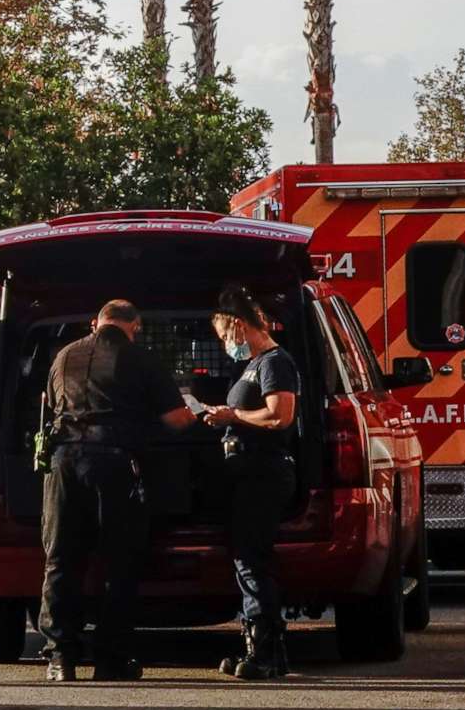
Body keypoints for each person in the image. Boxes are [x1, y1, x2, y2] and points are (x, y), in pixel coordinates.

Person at [38, 299, 204, 682]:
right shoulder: (140, 359)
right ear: (135, 326)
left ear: (96, 322)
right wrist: (199, 417)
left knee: (61, 558)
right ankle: (111, 659)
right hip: (113, 463)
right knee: (120, 561)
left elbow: (48, 407)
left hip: (63, 463)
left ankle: (60, 658)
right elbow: (177, 420)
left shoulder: (64, 356)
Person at [202, 285, 300, 681]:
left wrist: (234, 417)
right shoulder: (254, 365)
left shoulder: (275, 362)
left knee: (251, 559)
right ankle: (264, 649)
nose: (226, 345)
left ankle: (264, 652)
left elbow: (281, 417)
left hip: (264, 471)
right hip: (248, 472)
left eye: (225, 337)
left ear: (240, 326)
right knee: (247, 557)